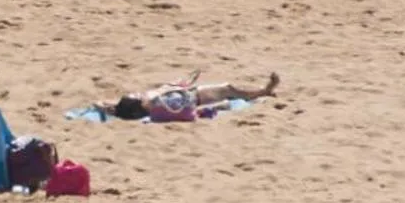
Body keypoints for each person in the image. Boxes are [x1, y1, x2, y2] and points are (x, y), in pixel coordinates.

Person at [94, 72, 280, 122]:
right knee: (228, 89)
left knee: (228, 90)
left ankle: (262, 91)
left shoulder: (151, 110)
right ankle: (263, 91)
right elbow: (173, 90)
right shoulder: (152, 101)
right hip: (195, 96)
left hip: (189, 96)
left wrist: (112, 109)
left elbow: (100, 103)